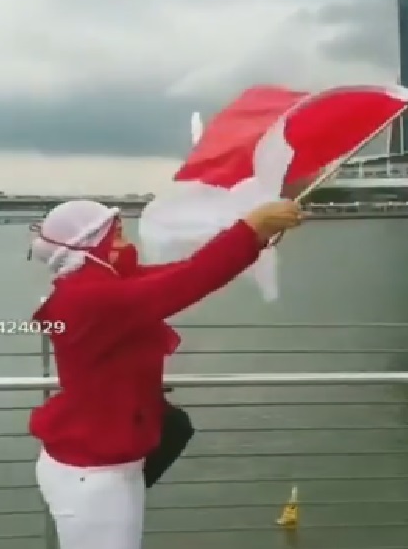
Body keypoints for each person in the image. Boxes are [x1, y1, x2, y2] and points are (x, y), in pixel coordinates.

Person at [27, 198, 303, 549]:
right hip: (93, 476)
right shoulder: (93, 298)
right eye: (117, 236)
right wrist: (251, 229)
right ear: (91, 245)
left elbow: (187, 270)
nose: (126, 244)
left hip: (103, 467)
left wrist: (258, 236)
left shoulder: (97, 288)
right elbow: (190, 279)